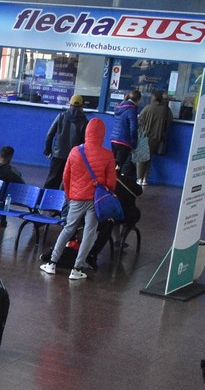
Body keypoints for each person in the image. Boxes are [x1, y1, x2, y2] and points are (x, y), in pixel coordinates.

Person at [40, 116, 115, 281]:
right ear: (102, 134)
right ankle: (77, 268)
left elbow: (65, 177)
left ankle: (52, 263)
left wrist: (69, 194)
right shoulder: (108, 155)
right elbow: (111, 183)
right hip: (96, 201)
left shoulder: (75, 151)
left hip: (76, 198)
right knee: (89, 232)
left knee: (68, 229)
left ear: (87, 132)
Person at [81, 170, 142, 272]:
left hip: (103, 214)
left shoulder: (100, 182)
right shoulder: (128, 181)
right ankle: (121, 237)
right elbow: (139, 191)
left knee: (111, 219)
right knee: (132, 214)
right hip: (122, 215)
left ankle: (116, 238)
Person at [43, 95, 88, 191]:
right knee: (68, 184)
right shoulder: (84, 121)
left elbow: (50, 134)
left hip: (58, 155)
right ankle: (63, 204)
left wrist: (48, 149)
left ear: (70, 104)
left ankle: (45, 203)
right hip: (74, 158)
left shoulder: (61, 116)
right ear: (82, 106)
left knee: (52, 181)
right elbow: (85, 142)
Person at [138, 91, 173, 184]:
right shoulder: (165, 109)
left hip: (145, 135)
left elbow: (140, 120)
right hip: (157, 137)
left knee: (141, 157)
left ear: (152, 98)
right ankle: (145, 178)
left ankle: (139, 178)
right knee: (149, 158)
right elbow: (169, 120)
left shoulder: (147, 108)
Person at [110, 89, 141, 176]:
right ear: (138, 100)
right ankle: (116, 184)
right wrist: (134, 143)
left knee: (113, 163)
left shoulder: (120, 108)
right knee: (119, 165)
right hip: (124, 140)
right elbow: (133, 128)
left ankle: (110, 182)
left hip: (114, 139)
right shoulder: (132, 110)